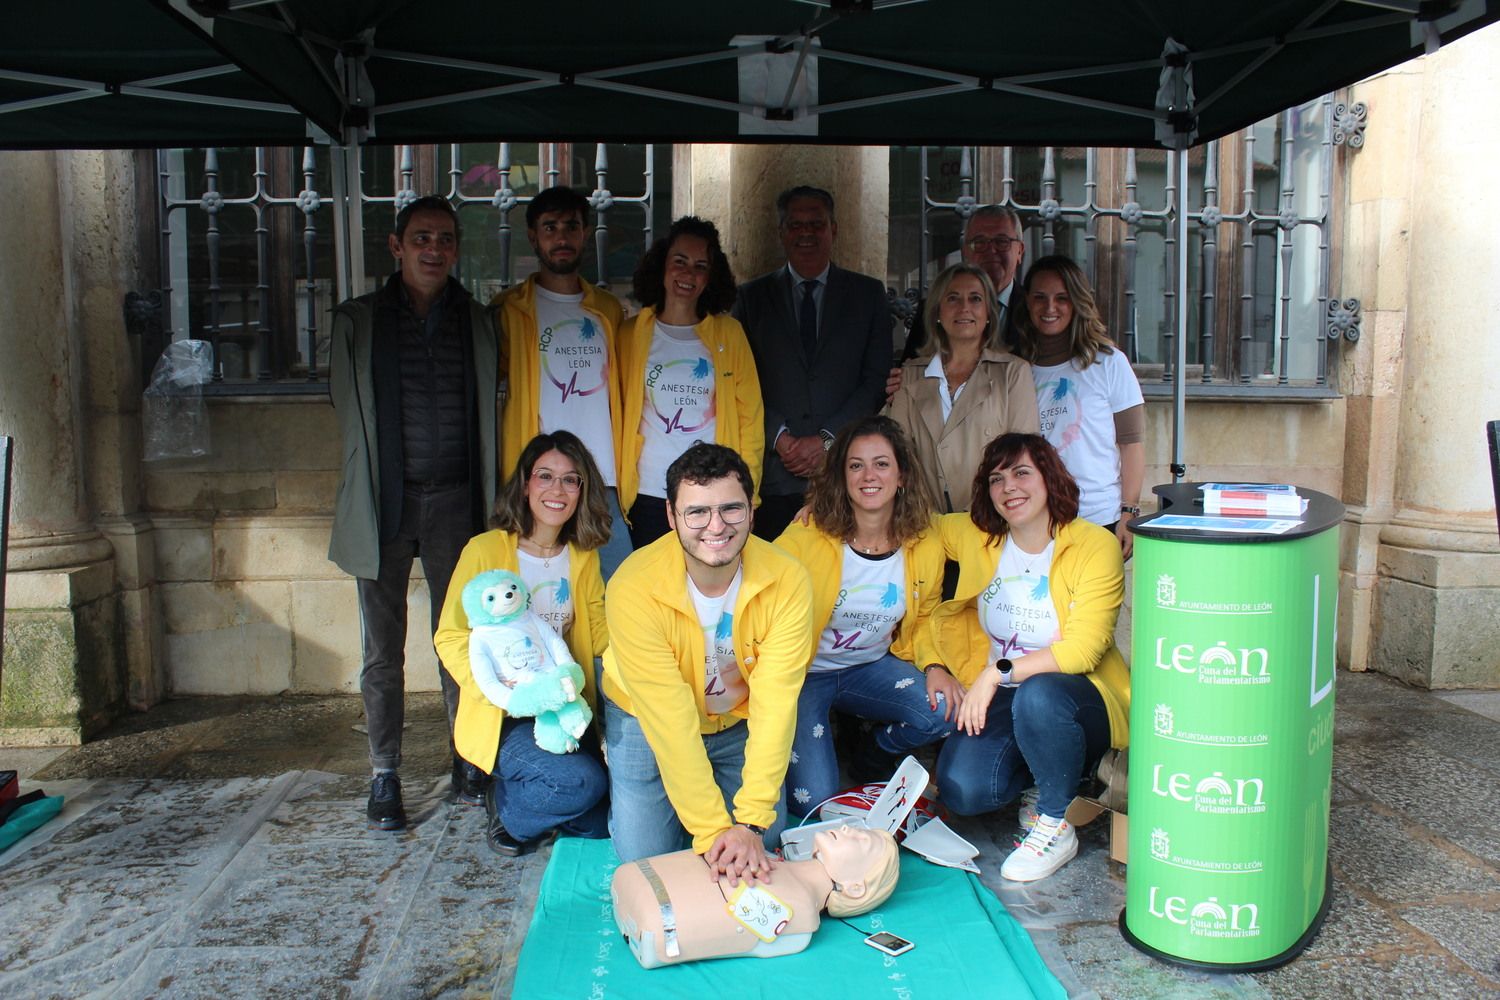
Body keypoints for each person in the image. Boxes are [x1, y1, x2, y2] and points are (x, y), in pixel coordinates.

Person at [328, 195, 498, 832]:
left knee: (464, 642)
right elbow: (347, 417)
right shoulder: (359, 321)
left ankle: (468, 761)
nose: (435, 249)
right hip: (385, 503)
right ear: (396, 246)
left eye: (446, 239)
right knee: (383, 649)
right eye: (421, 238)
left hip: (458, 501)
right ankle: (385, 774)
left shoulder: (478, 321)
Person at [601, 442, 815, 878]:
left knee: (768, 837)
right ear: (670, 516)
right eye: (696, 512)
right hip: (645, 718)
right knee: (646, 856)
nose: (715, 526)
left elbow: (775, 704)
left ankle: (710, 796)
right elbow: (669, 716)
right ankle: (641, 793)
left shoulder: (788, 578)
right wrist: (715, 831)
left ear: (753, 512)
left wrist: (751, 822)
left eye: (731, 509)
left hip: (735, 718)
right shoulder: (632, 585)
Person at [926, 433, 1129, 882]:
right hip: (1008, 699)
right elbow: (910, 523)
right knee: (963, 790)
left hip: (1078, 698)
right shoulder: (981, 539)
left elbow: (1083, 649)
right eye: (996, 479)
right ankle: (1050, 776)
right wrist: (817, 514)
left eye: (1021, 473)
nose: (1008, 487)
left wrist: (996, 673)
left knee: (1038, 694)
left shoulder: (1093, 545)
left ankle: (1055, 822)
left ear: (1049, 478)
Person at [434, 431, 611, 856]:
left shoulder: (582, 555)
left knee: (603, 822)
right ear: (525, 484)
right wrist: (497, 691)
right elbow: (451, 634)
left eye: (571, 480)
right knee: (581, 784)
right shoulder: (486, 549)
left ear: (582, 491)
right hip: (507, 713)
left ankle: (545, 790)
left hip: (562, 704)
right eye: (545, 476)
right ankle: (509, 809)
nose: (557, 490)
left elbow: (600, 630)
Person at [773, 416, 957, 817]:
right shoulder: (805, 537)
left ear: (902, 476)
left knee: (944, 710)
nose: (868, 475)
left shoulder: (925, 540)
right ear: (841, 477)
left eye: (881, 464)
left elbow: (925, 615)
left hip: (869, 668)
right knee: (816, 805)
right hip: (806, 676)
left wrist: (936, 664)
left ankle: (871, 756)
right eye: (855, 465)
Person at [734, 186, 892, 541]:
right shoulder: (750, 298)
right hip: (774, 473)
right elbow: (740, 381)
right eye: (795, 224)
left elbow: (876, 380)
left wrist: (826, 440)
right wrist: (781, 438)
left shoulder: (867, 295)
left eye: (816, 224)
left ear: (834, 229)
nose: (806, 233)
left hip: (843, 471)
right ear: (781, 232)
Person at [492, 186, 632, 577]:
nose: (561, 237)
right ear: (533, 236)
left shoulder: (607, 310)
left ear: (586, 233)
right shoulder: (508, 310)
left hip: (602, 479)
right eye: (550, 227)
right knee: (537, 594)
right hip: (536, 479)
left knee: (612, 592)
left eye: (571, 227)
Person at [616, 217, 764, 548]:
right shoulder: (629, 334)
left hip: (713, 494)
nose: (688, 274)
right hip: (648, 492)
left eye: (700, 266)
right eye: (679, 261)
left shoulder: (729, 335)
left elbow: (750, 420)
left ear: (711, 278)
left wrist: (748, 497)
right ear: (662, 266)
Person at [611, 825, 899, 968]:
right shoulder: (775, 859)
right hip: (647, 889)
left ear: (855, 888)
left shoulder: (800, 912)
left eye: (862, 841)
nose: (848, 828)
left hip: (659, 916)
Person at [1011, 255, 1145, 557]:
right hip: (1031, 520)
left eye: (1062, 298)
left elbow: (1132, 443)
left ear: (1077, 302)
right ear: (1027, 303)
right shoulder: (1015, 367)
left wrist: (1129, 511)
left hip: (1098, 518)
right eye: (1040, 298)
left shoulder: (1108, 362)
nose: (1050, 308)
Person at [886, 262, 1040, 514]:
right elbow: (897, 455)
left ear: (989, 312)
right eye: (953, 298)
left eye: (975, 299)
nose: (965, 307)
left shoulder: (1013, 372)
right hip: (925, 526)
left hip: (992, 523)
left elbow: (1021, 458)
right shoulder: (912, 374)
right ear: (937, 311)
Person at [900, 205, 1028, 362]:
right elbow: (911, 368)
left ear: (1020, 251)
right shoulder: (933, 309)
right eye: (980, 242)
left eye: (1002, 241)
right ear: (965, 251)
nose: (991, 250)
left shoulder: (1034, 309)